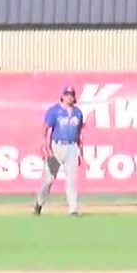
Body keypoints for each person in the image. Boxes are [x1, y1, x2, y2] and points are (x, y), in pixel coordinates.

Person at [34, 84, 85, 217]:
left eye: (72, 95)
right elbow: (45, 128)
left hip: (72, 147)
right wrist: (45, 146)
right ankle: (39, 203)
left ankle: (73, 209)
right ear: (62, 96)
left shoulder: (78, 113)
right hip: (56, 147)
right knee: (49, 179)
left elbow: (79, 133)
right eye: (67, 95)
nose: (69, 97)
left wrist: (80, 151)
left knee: (71, 180)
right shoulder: (54, 111)